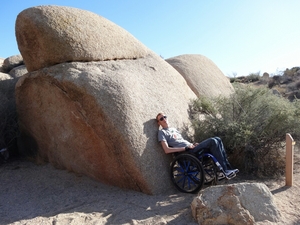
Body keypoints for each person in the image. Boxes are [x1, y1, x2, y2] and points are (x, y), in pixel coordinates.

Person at [156, 112, 238, 177]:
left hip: (191, 148)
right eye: (161, 119)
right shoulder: (162, 132)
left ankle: (227, 168)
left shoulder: (174, 129)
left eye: (165, 117)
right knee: (213, 141)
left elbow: (181, 141)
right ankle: (223, 171)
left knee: (218, 139)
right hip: (187, 153)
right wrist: (185, 148)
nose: (164, 119)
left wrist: (192, 144)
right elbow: (166, 150)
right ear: (159, 123)